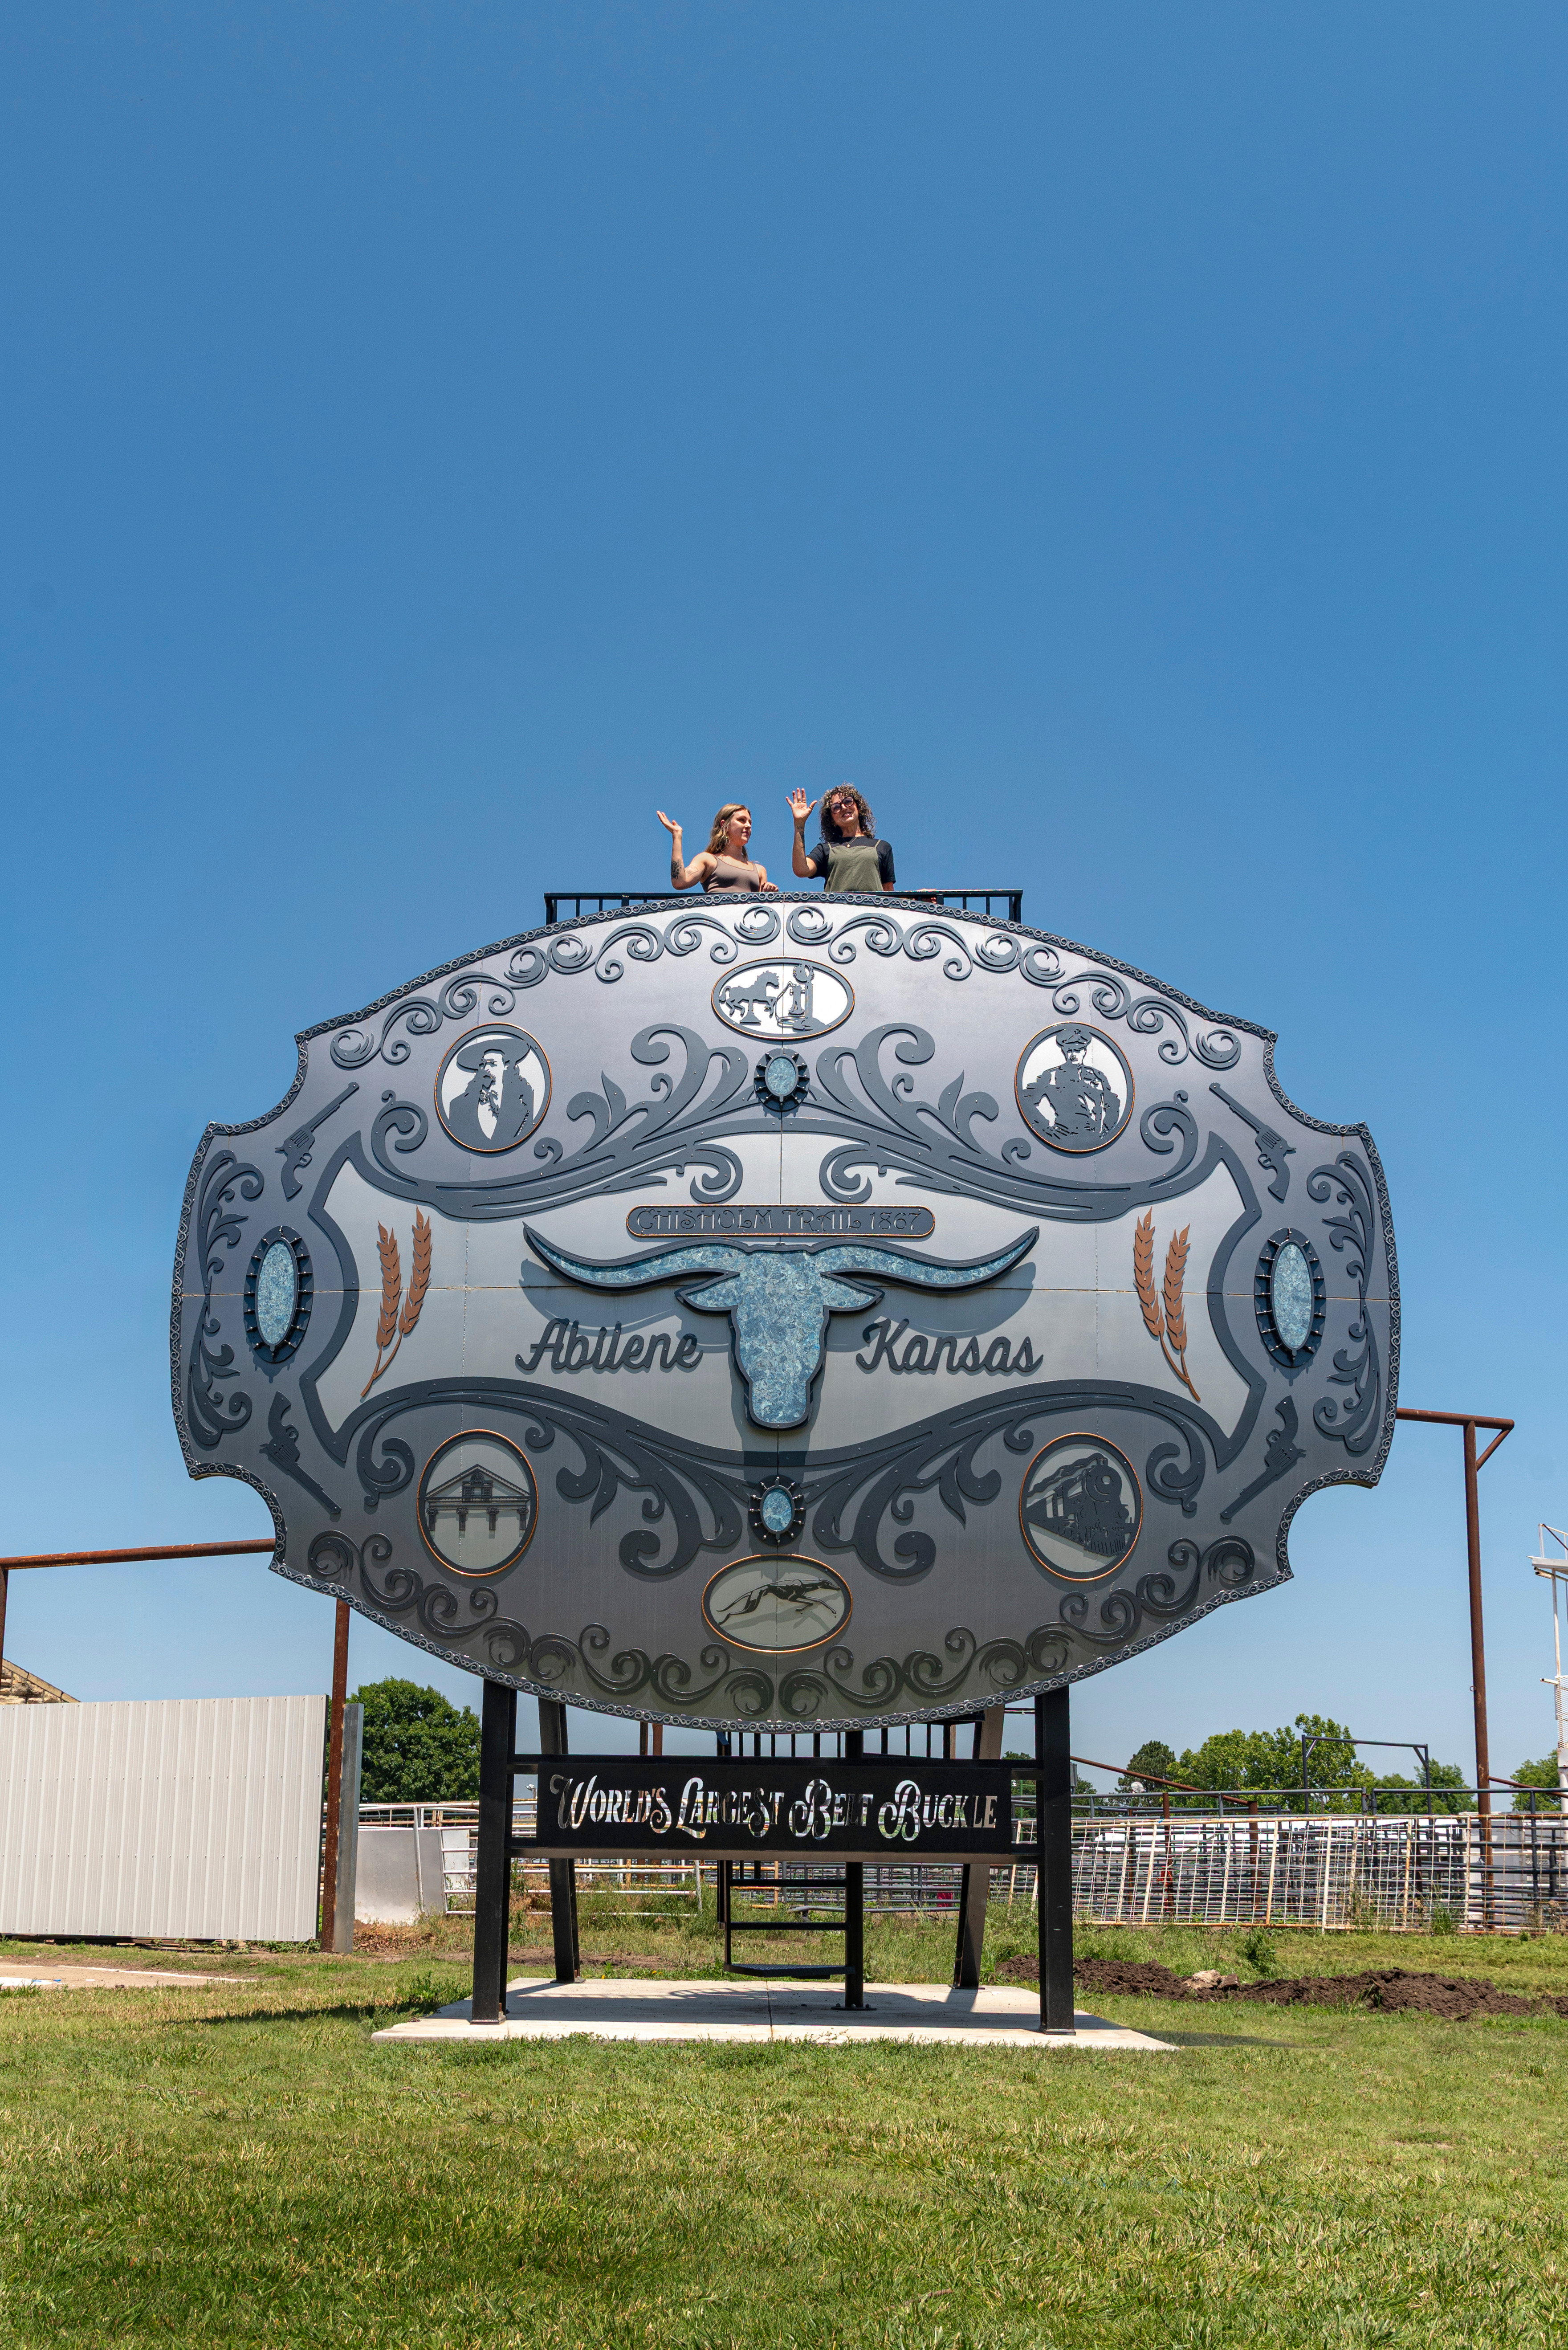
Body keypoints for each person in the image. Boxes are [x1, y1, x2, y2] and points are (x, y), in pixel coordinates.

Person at [787, 784, 896, 893]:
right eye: (836, 808)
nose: (844, 808)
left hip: (872, 910)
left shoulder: (882, 847)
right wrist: (799, 823)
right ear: (832, 821)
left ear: (859, 807)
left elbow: (889, 894)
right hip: (836, 910)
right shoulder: (826, 849)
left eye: (848, 802)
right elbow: (801, 870)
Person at [656, 804, 777, 894]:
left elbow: (763, 908)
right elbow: (680, 882)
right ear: (725, 825)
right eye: (742, 820)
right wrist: (677, 835)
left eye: (750, 822)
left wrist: (770, 894)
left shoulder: (760, 871)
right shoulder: (708, 860)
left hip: (747, 926)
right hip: (718, 926)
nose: (748, 826)